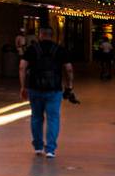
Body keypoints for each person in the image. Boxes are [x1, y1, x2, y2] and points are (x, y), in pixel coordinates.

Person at [19, 24, 74, 158]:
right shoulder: (59, 50)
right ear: (52, 36)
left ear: (40, 35)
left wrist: (23, 86)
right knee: (53, 119)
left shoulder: (32, 49)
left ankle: (38, 147)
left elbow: (22, 67)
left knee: (36, 117)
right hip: (54, 89)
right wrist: (69, 85)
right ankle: (50, 149)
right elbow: (69, 69)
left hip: (35, 88)